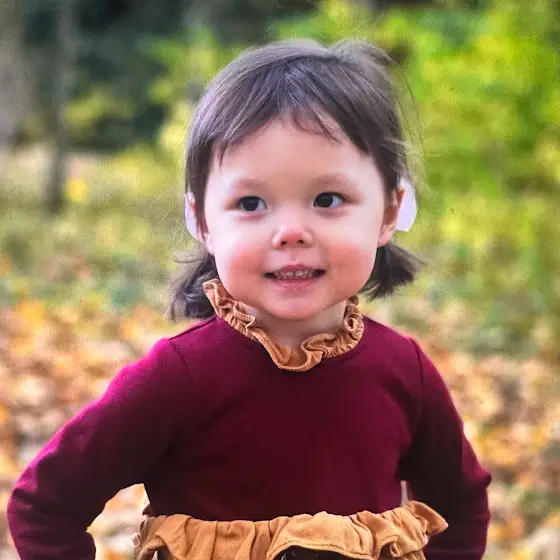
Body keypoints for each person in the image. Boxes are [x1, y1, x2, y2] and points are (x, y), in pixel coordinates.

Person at [7, 39, 492, 560]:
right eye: (251, 203)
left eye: (328, 199)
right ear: (202, 221)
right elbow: (45, 505)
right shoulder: (178, 379)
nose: (290, 232)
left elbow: (459, 509)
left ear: (389, 211)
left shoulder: (403, 372)